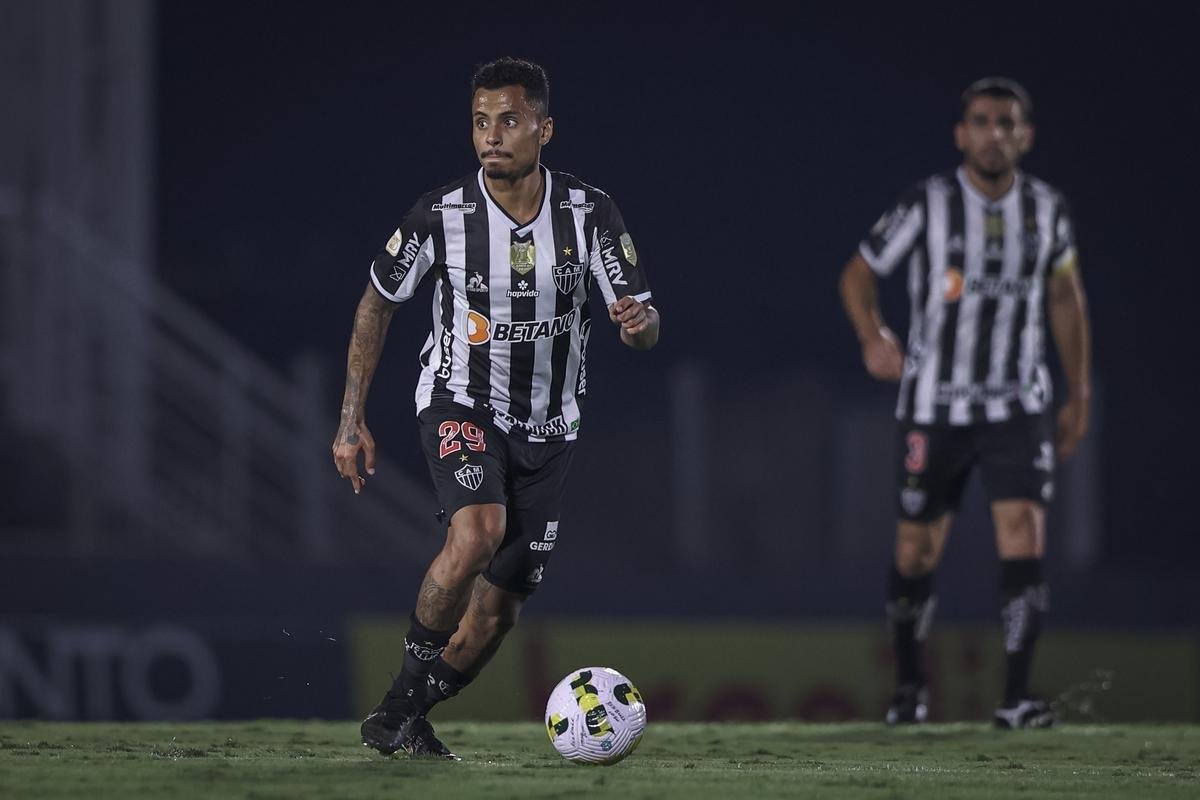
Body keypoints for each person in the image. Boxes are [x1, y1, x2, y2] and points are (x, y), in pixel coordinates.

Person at [332, 57, 659, 759]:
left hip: (550, 430)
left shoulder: (589, 212)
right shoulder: (440, 216)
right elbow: (376, 304)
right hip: (461, 402)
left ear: (544, 128)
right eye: (481, 121)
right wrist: (350, 419)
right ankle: (396, 705)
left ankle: (410, 713)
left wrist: (638, 325)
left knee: (497, 612)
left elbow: (644, 316)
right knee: (477, 532)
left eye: (509, 120)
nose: (492, 135)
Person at [838, 77, 1091, 729]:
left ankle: (1016, 699)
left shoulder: (1048, 209)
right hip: (932, 407)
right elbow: (860, 272)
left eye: (1007, 123)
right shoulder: (929, 202)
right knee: (916, 551)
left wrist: (1078, 390)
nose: (995, 133)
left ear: (1025, 136)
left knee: (1022, 534)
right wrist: (873, 337)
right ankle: (909, 688)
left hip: (1016, 404)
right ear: (962, 134)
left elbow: (1065, 297)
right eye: (982, 121)